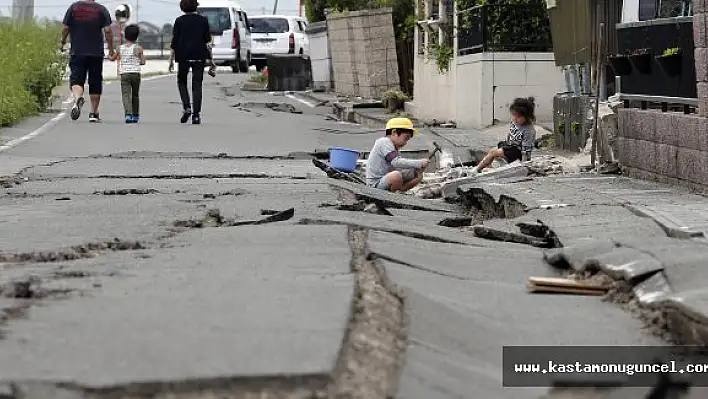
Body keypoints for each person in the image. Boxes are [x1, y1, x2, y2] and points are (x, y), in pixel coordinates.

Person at [61, 0, 115, 123]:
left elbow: (65, 28)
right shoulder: (101, 9)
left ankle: (78, 98)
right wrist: (111, 49)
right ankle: (93, 113)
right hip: (96, 52)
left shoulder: (74, 8)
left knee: (76, 79)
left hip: (77, 51)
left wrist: (63, 41)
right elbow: (107, 30)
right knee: (95, 81)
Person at [168, 0, 216, 125]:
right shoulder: (203, 20)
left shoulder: (179, 21)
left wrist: (171, 60)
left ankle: (187, 107)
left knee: (182, 81)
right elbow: (207, 42)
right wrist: (211, 60)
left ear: (182, 7)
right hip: (199, 55)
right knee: (197, 85)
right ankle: (196, 115)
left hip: (183, 56)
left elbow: (174, 41)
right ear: (196, 6)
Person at [470, 97, 537, 174]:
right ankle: (484, 167)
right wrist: (506, 144)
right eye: (513, 115)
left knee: (494, 153)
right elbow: (510, 133)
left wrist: (525, 165)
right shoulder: (515, 122)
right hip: (511, 145)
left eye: (518, 117)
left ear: (527, 117)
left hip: (518, 152)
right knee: (492, 151)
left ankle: (477, 169)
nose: (515, 119)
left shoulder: (528, 131)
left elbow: (526, 150)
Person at [366, 117, 430, 192]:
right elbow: (395, 162)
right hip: (375, 184)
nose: (405, 143)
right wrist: (419, 163)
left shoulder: (394, 148)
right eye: (405, 138)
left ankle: (400, 191)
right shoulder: (383, 142)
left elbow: (398, 168)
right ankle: (395, 197)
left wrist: (416, 170)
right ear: (394, 133)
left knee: (418, 175)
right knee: (396, 176)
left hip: (386, 179)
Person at [109, 24, 146, 123]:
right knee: (135, 95)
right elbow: (143, 62)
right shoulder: (138, 48)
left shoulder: (119, 48)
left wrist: (110, 55)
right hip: (135, 74)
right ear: (137, 36)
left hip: (124, 74)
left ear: (125, 36)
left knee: (126, 95)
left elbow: (112, 58)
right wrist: (138, 58)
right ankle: (135, 115)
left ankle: (128, 115)